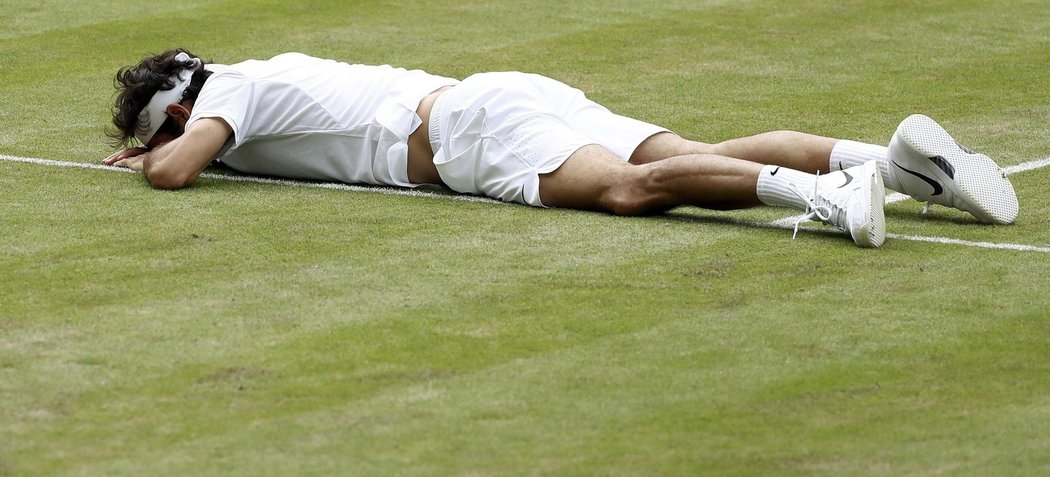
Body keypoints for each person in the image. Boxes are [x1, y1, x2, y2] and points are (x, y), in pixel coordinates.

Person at [104, 50, 1019, 249]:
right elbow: (195, 151)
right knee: (699, 150)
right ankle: (892, 165)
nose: (185, 145)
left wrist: (161, 157)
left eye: (168, 126)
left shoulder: (229, 91)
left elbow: (181, 171)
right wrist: (157, 145)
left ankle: (833, 197)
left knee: (628, 191)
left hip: (468, 134)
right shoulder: (246, 90)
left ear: (184, 102)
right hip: (495, 100)